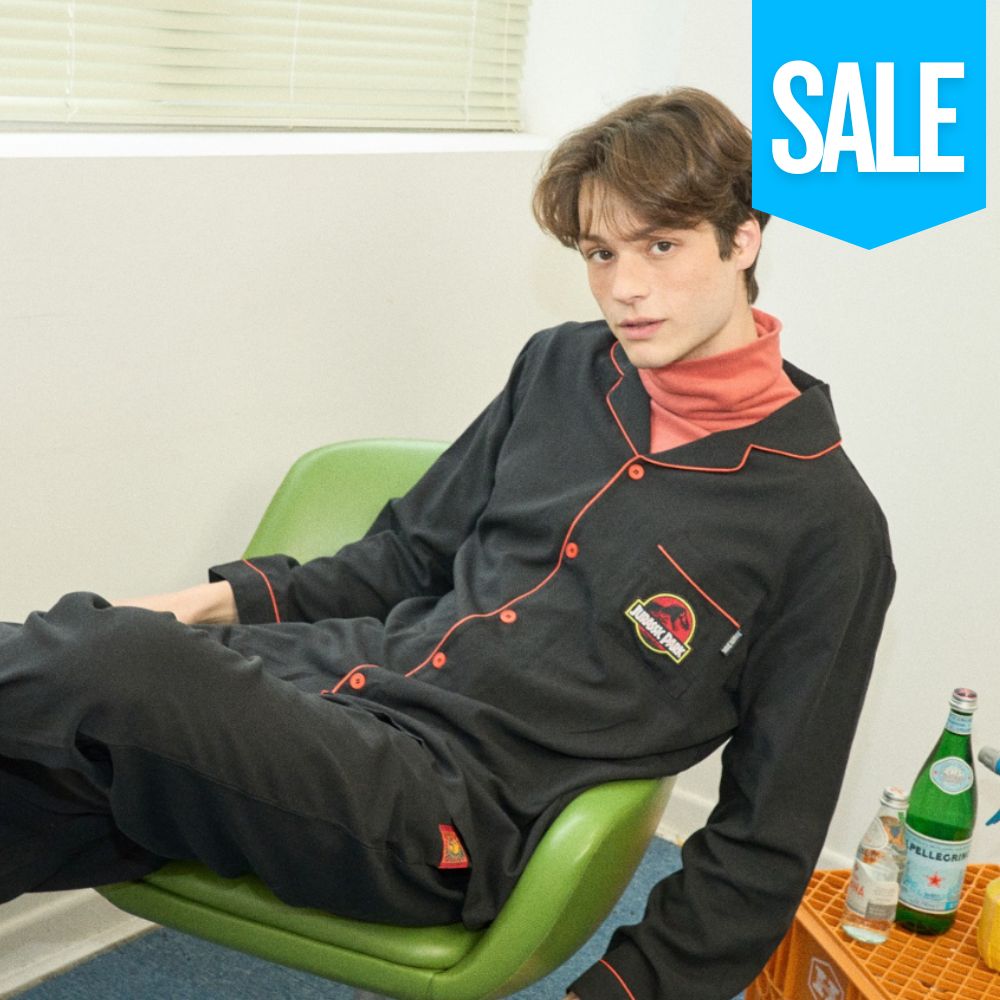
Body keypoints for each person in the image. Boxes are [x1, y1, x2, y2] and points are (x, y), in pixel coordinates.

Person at [0, 88, 894, 1000]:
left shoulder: (826, 525)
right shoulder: (560, 365)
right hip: (324, 694)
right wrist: (204, 603)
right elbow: (407, 555)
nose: (625, 287)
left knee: (119, 661)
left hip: (447, 810)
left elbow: (767, 833)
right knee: (28, 786)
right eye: (600, 253)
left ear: (743, 239)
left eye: (660, 245)